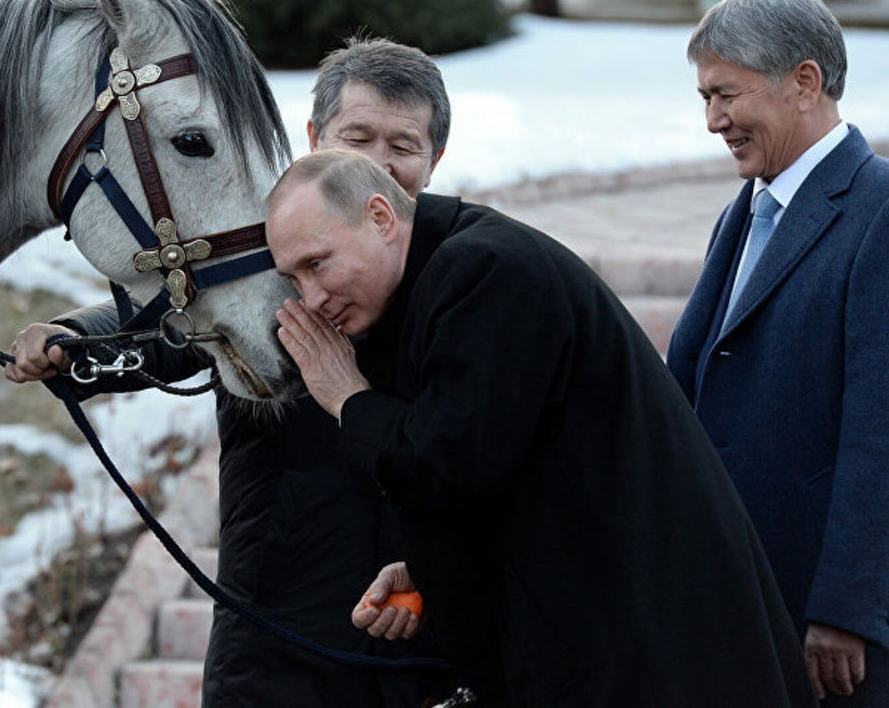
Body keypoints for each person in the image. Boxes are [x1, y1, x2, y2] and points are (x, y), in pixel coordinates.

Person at [269, 148, 817, 706]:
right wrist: (433, 568)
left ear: (382, 218)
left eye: (318, 264)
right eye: (293, 278)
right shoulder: (448, 271)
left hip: (649, 651)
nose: (310, 299)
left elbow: (448, 467)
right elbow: (509, 470)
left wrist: (347, 398)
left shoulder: (483, 269)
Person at [7, 38, 453, 706]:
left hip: (420, 641)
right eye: (357, 137)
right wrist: (76, 341)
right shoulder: (265, 253)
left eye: (403, 145)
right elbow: (175, 324)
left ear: (435, 157)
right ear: (313, 137)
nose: (379, 165)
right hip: (275, 637)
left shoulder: (464, 277)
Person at [665, 0, 889, 705]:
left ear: (804, 82)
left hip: (828, 628)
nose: (712, 121)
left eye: (726, 94)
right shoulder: (745, 211)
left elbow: (878, 429)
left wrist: (847, 607)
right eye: (705, 98)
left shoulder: (878, 210)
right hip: (739, 599)